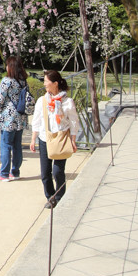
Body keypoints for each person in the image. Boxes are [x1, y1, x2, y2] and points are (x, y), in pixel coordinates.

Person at [30, 70, 80, 208]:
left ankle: (59, 196)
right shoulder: (42, 101)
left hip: (61, 139)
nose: (45, 84)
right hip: (44, 138)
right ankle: (50, 197)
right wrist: (33, 139)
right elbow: (37, 120)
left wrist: (73, 139)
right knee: (45, 173)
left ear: (55, 83)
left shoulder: (67, 102)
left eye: (46, 81)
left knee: (58, 172)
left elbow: (74, 122)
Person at [0, 56, 28, 181]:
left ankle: (4, 173)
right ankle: (15, 172)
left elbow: (0, 99)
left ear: (10, 67)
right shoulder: (23, 80)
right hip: (20, 116)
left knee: (6, 144)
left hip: (8, 117)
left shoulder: (6, 81)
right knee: (17, 145)